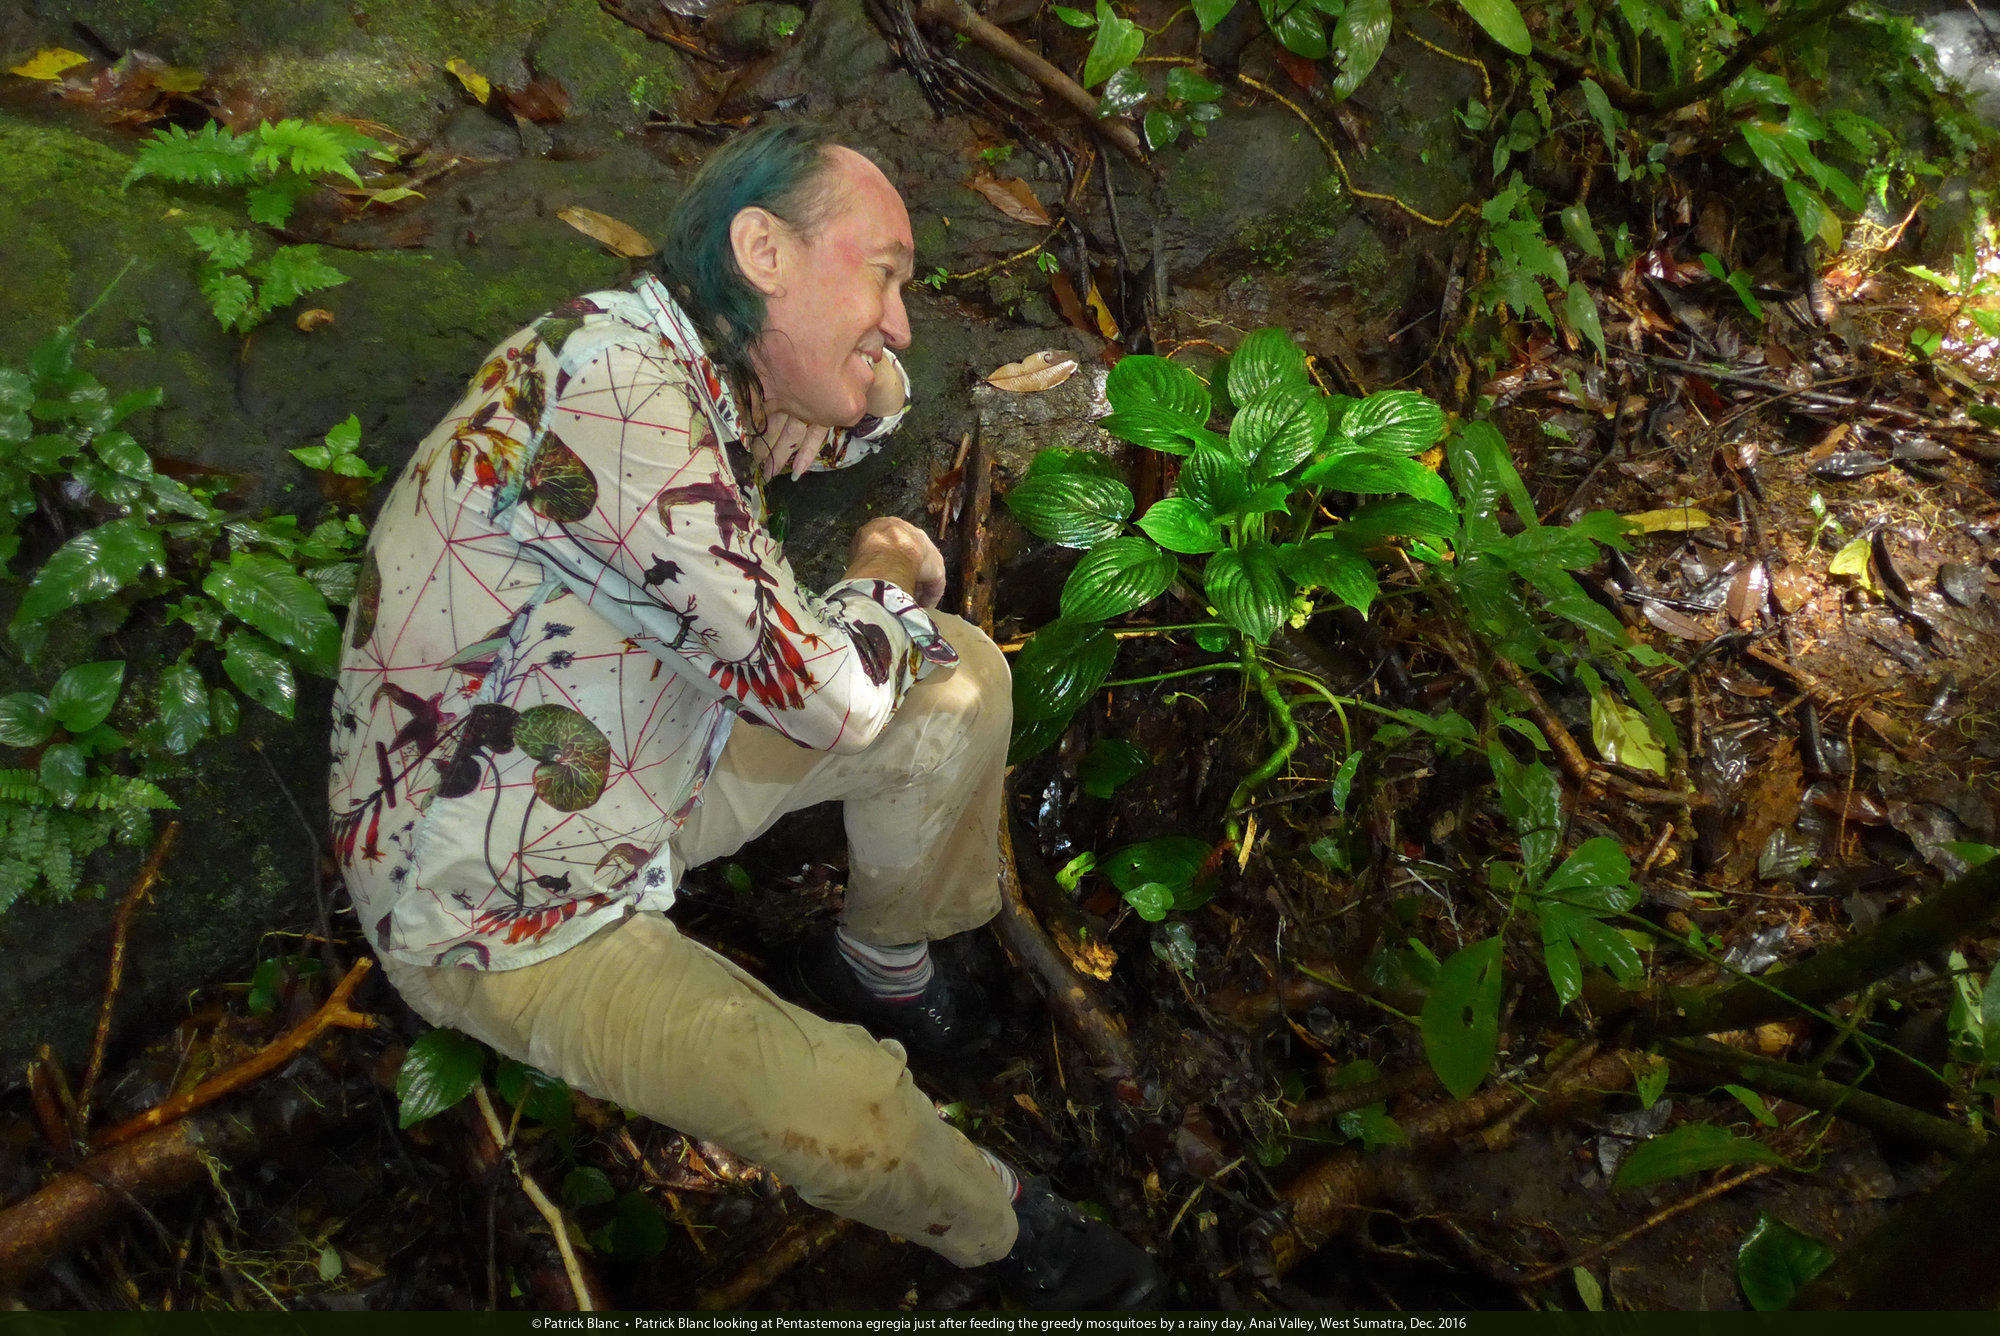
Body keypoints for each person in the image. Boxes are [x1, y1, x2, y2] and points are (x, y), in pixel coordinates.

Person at [327, 122, 1160, 1308]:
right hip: (505, 904)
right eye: (883, 275)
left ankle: (879, 961)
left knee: (958, 680)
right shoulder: (617, 396)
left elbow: (874, 398)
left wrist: (830, 389)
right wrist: (879, 572)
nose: (901, 323)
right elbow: (829, 698)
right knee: (848, 1108)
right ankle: (1002, 1231)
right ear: (762, 251)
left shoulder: (687, 362)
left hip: (631, 768)